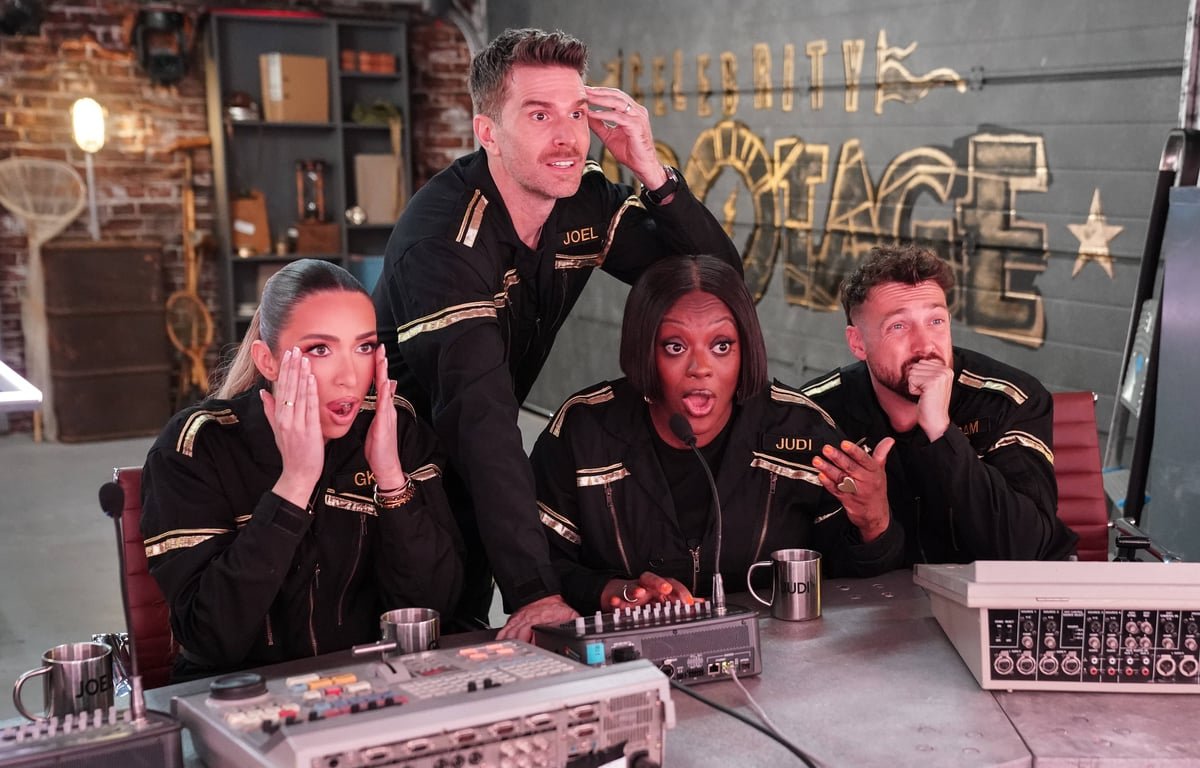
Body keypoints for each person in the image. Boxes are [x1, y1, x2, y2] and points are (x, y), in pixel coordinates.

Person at [372, 28, 741, 638]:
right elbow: (482, 418)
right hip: (389, 460)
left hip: (474, 446)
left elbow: (717, 286)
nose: (567, 137)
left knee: (467, 627)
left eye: (575, 113)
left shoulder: (582, 202)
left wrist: (651, 170)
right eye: (539, 115)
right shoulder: (442, 243)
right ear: (487, 132)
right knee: (419, 634)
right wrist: (536, 592)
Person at [142, 259, 463, 679]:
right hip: (243, 696)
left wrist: (390, 480)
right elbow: (210, 636)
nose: (350, 377)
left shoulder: (397, 431)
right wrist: (294, 484)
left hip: (373, 686)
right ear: (268, 360)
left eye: (364, 346)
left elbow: (436, 608)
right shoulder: (196, 447)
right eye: (320, 349)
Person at [530, 255, 904, 613]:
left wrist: (875, 521)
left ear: (746, 351)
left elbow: (859, 591)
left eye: (721, 346)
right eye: (675, 347)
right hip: (620, 668)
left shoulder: (801, 431)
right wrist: (612, 591)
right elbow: (535, 569)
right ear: (644, 350)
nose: (700, 368)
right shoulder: (584, 430)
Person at [801, 244, 1079, 565]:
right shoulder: (817, 414)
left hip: (1006, 602)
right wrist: (874, 523)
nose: (925, 345)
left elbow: (1024, 550)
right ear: (858, 343)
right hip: (887, 606)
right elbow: (815, 561)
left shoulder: (1007, 399)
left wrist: (941, 431)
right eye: (899, 326)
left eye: (935, 321)